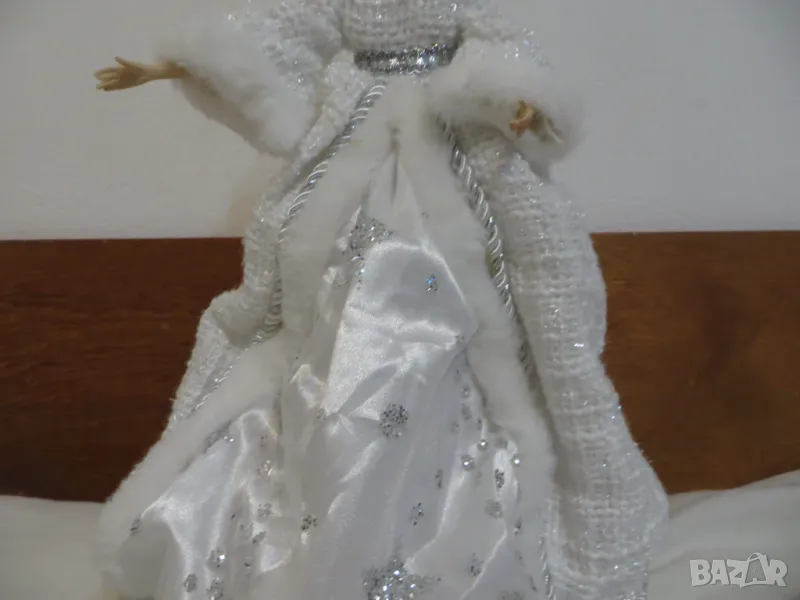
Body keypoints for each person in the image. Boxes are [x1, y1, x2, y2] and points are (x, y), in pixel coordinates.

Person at [93, 1, 668, 599]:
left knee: (468, 306)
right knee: (333, 305)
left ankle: (463, 501)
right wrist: (181, 66)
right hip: (355, 143)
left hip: (452, 142)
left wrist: (512, 94)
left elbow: (500, 40)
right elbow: (287, 27)